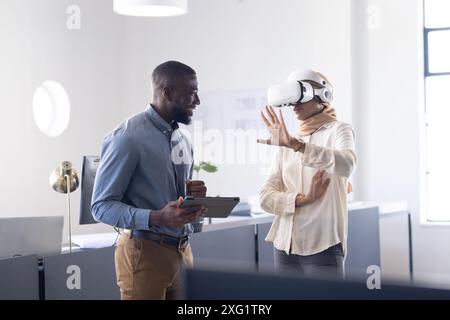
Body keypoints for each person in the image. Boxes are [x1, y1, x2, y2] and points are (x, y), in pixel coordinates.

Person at [91, 61, 208, 300]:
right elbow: (100, 206)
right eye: (191, 93)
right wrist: (157, 217)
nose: (197, 101)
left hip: (183, 252)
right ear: (167, 92)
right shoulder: (127, 138)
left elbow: (177, 201)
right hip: (143, 252)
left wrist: (194, 200)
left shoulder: (182, 139)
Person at [258, 69, 357, 280]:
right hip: (285, 244)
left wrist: (298, 146)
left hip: (323, 243)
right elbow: (265, 198)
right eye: (291, 97)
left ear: (323, 95)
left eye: (300, 94)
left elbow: (346, 164)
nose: (294, 103)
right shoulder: (286, 141)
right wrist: (303, 199)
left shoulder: (339, 130)